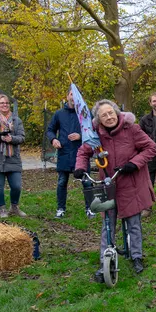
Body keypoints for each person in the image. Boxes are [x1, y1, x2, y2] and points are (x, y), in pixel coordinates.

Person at [74, 100, 156, 282]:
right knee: (107, 225)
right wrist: (80, 168)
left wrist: (134, 164)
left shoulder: (132, 129)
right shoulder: (95, 135)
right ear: (98, 119)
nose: (109, 117)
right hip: (108, 185)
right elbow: (83, 152)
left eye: (111, 113)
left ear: (117, 113)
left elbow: (151, 148)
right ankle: (105, 261)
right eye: (104, 115)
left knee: (133, 222)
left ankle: (136, 256)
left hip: (130, 183)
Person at [46, 90, 93, 218]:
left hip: (81, 154)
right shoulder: (59, 114)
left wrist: (81, 136)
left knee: (87, 182)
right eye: (71, 94)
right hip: (64, 153)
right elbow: (50, 130)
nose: (73, 97)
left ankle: (90, 208)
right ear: (67, 96)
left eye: (76, 94)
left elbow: (93, 132)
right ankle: (61, 209)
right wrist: (53, 139)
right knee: (62, 182)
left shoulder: (86, 113)